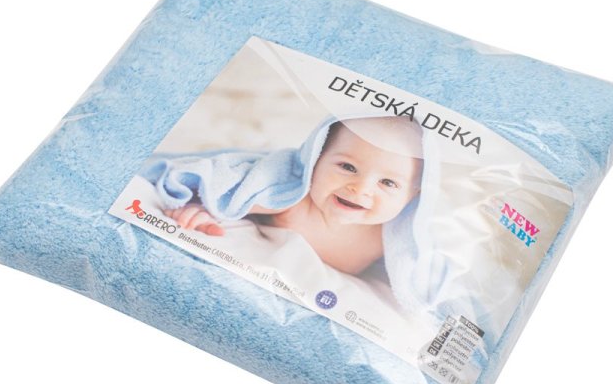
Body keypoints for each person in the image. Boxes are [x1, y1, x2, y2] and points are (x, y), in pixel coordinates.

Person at [162, 116, 424, 275]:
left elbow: (423, 276)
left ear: (413, 196)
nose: (361, 188)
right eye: (347, 167)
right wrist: (202, 208)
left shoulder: (391, 238)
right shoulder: (289, 200)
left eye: (388, 182)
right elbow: (228, 195)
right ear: (315, 159)